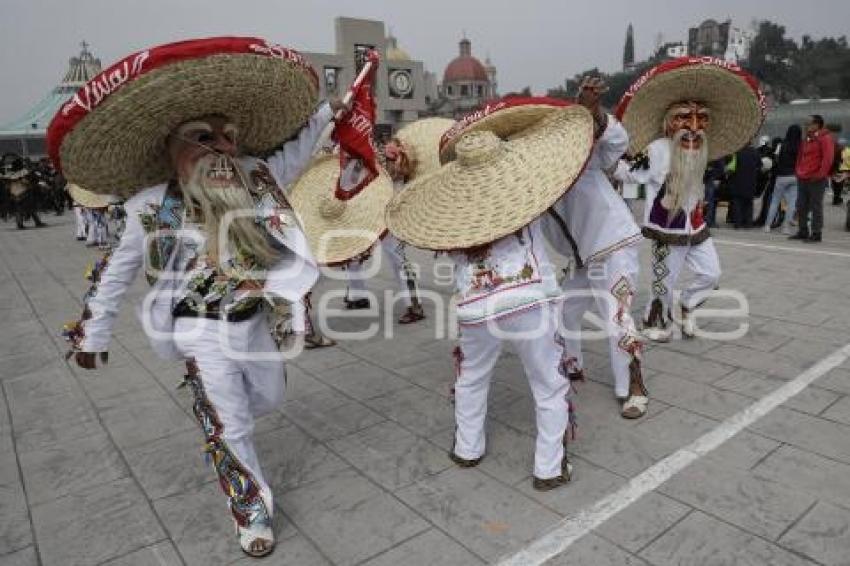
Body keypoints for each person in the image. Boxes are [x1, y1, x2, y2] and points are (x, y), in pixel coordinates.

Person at [49, 37, 347, 557]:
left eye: (228, 137)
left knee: (271, 398)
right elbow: (114, 272)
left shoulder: (256, 176)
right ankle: (251, 512)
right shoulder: (149, 207)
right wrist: (93, 335)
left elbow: (299, 151)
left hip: (254, 323)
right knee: (229, 421)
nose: (221, 147)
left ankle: (227, 422)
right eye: (203, 136)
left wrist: (330, 110)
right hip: (197, 328)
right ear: (172, 148)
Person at [391, 104, 596, 490]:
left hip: (475, 305)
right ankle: (549, 467)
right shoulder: (526, 183)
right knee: (548, 384)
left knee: (472, 376)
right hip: (529, 298)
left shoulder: (448, 206)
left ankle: (468, 448)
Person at [613, 57, 765, 341]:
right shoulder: (657, 149)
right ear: (669, 123)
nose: (694, 127)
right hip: (666, 226)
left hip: (695, 225)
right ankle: (655, 321)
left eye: (701, 119)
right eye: (685, 118)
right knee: (663, 284)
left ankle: (686, 307)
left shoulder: (700, 149)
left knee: (711, 274)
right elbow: (631, 174)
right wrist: (604, 162)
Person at [526, 82, 648, 420]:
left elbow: (618, 143)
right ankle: (573, 365)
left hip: (613, 245)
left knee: (617, 316)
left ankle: (633, 386)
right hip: (584, 259)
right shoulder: (532, 185)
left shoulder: (582, 155)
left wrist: (594, 114)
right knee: (563, 311)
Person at [790, 115, 835, 243]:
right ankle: (803, 231)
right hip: (802, 177)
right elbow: (800, 156)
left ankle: (816, 233)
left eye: (808, 123)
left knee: (816, 206)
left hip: (816, 178)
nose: (805, 125)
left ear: (817, 124)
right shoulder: (807, 138)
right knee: (801, 205)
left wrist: (820, 175)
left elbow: (828, 159)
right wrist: (798, 170)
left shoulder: (825, 138)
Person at [765, 125, 802, 234]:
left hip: (781, 176)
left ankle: (767, 225)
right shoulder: (801, 146)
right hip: (795, 176)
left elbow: (776, 160)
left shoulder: (781, 145)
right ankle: (785, 227)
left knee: (775, 201)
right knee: (791, 203)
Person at [727, 142, 760, 229]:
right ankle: (748, 224)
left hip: (738, 182)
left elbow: (731, 167)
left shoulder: (737, 152)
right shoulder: (755, 153)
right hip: (751, 182)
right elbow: (760, 165)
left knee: (737, 203)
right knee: (748, 204)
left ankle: (737, 223)